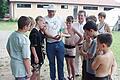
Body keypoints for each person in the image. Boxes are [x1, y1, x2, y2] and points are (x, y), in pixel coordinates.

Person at [44, 4, 65, 80]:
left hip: (59, 43)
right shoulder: (44, 19)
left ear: (55, 11)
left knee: (61, 62)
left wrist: (60, 34)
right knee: (51, 63)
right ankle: (52, 78)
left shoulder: (59, 18)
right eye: (50, 12)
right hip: (50, 44)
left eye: (53, 12)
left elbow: (62, 29)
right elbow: (44, 31)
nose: (51, 13)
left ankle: (61, 78)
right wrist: (52, 37)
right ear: (48, 11)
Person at [64, 16, 83, 80]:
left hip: (72, 48)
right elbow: (61, 34)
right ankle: (69, 76)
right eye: (67, 23)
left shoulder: (73, 29)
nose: (68, 24)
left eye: (69, 23)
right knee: (67, 63)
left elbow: (81, 37)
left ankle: (74, 77)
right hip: (66, 47)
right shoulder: (65, 29)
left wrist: (76, 43)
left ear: (72, 23)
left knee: (72, 63)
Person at [73, 10, 86, 76]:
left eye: (81, 15)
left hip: (84, 45)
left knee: (84, 60)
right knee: (76, 59)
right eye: (79, 15)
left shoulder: (86, 25)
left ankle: (84, 72)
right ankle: (76, 72)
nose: (80, 17)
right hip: (76, 45)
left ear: (84, 16)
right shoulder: (74, 24)